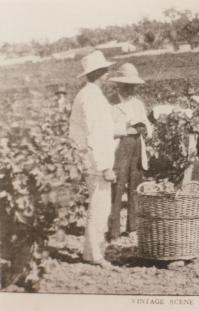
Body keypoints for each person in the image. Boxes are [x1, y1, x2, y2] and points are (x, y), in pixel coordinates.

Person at [68, 50, 116, 267]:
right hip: (96, 162)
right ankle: (94, 254)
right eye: (105, 70)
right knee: (99, 206)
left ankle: (95, 250)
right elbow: (96, 133)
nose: (107, 74)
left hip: (90, 159)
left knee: (99, 205)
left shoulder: (87, 95)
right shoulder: (92, 97)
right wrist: (105, 165)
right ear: (100, 73)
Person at [108, 63, 153, 240]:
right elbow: (106, 128)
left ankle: (132, 227)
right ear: (118, 85)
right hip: (120, 147)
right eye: (126, 85)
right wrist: (126, 127)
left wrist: (145, 129)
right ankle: (114, 231)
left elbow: (149, 125)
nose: (130, 89)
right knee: (117, 188)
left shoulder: (137, 104)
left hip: (137, 146)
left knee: (135, 186)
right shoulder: (110, 104)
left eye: (132, 86)